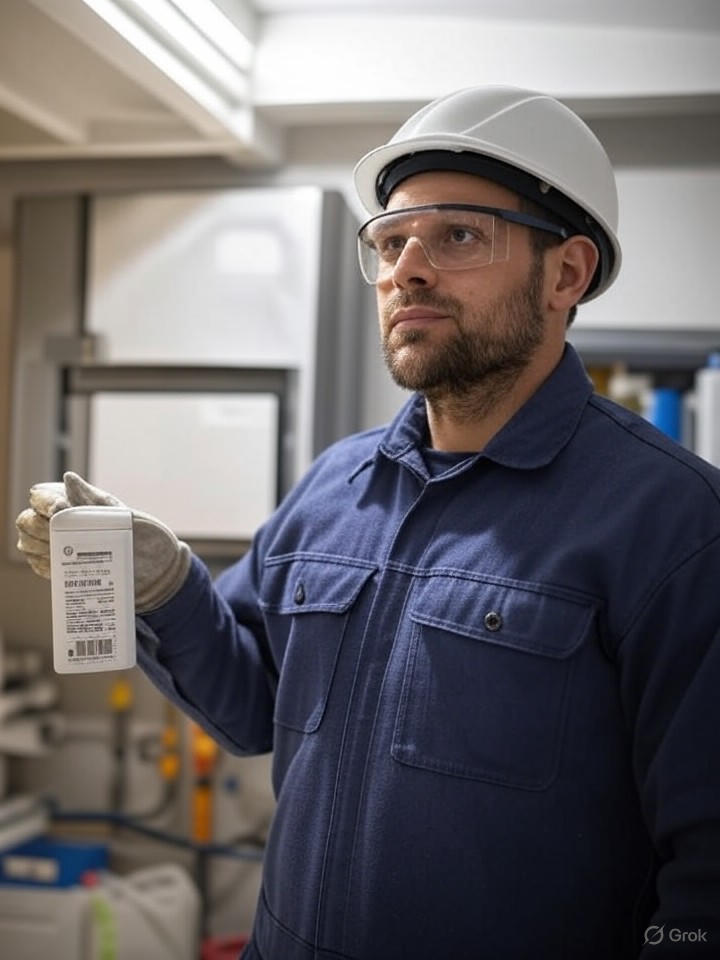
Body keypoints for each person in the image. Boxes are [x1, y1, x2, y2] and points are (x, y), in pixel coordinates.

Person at [16, 86, 720, 959]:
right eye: (389, 242)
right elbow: (249, 706)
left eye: (457, 236)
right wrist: (166, 587)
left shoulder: (675, 524)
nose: (406, 269)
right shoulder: (336, 485)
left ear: (566, 274)